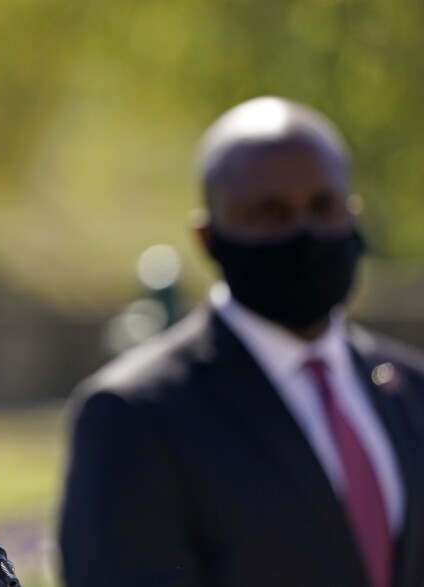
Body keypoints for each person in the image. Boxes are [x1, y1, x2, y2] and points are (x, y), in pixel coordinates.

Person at [60, 97, 424, 587]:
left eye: (322, 206)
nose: (304, 232)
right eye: (269, 212)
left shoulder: (411, 390)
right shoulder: (136, 415)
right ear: (208, 237)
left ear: (352, 213)